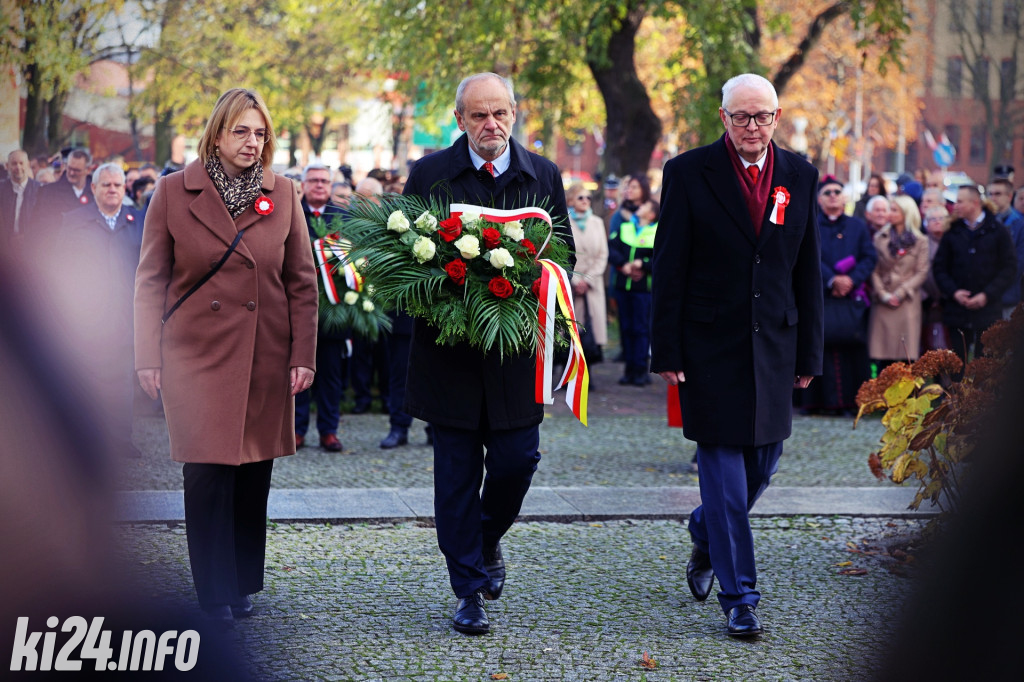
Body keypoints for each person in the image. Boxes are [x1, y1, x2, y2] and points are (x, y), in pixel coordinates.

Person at [134, 88, 318, 624]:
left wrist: (302, 353)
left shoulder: (282, 193)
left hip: (265, 351)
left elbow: (302, 281)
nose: (252, 142)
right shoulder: (173, 192)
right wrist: (147, 356)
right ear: (217, 134)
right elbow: (150, 281)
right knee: (208, 473)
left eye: (260, 133)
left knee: (252, 472)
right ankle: (213, 593)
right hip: (195, 354)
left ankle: (240, 584)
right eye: (241, 131)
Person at [651, 73, 823, 637]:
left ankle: (704, 532)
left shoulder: (799, 173)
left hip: (776, 342)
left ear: (777, 117)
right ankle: (740, 596)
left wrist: (810, 354)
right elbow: (669, 266)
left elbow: (806, 270)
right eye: (742, 117)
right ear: (722, 117)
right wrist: (667, 348)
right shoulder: (686, 172)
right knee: (723, 472)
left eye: (763, 117)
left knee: (764, 464)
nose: (753, 127)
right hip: (708, 345)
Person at [400, 72, 572, 636]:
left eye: (499, 113)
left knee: (518, 463)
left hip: (513, 356)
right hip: (448, 356)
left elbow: (561, 255)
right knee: (453, 478)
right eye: (478, 115)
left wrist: (532, 287)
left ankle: (486, 538)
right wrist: (450, 295)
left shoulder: (542, 174)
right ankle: (468, 588)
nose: (490, 124)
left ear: (515, 114)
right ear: (460, 121)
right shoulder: (429, 174)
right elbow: (405, 265)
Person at [801, 175, 876, 415]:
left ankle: (852, 404)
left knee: (852, 350)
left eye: (837, 192)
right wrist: (832, 279)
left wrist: (851, 280)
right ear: (819, 199)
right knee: (820, 348)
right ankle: (820, 404)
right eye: (827, 193)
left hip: (850, 299)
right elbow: (806, 256)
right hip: (822, 294)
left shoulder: (857, 226)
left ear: (845, 197)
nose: (832, 196)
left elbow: (869, 257)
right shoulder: (810, 224)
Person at [932, 185, 1017, 374]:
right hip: (957, 311)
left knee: (985, 368)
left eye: (960, 201)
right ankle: (956, 402)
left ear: (975, 203)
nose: (956, 206)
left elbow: (1009, 268)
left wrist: (987, 295)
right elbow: (939, 268)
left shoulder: (998, 231)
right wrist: (954, 292)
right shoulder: (952, 232)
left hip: (987, 311)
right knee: (956, 367)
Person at [294, 163, 348, 452]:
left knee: (330, 375)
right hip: (297, 310)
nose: (319, 185)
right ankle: (296, 430)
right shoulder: (291, 212)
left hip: (334, 310)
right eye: (313, 180)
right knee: (297, 372)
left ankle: (329, 430)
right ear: (302, 184)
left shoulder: (344, 217)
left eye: (324, 181)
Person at [867, 194, 930, 366]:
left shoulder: (921, 241)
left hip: (907, 302)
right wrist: (883, 294)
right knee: (882, 360)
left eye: (894, 210)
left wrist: (900, 292)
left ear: (906, 213)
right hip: (883, 302)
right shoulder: (880, 238)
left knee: (906, 358)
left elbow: (922, 271)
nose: (889, 213)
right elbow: (874, 270)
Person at [610, 198, 657, 385]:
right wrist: (624, 265)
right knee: (626, 329)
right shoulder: (625, 227)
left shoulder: (658, 231)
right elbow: (611, 249)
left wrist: (643, 265)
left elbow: (661, 260)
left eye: (645, 205)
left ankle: (640, 371)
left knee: (641, 329)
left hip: (643, 290)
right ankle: (628, 371)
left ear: (652, 214)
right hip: (623, 287)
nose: (640, 206)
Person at [566, 182, 608, 365]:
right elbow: (561, 253)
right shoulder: (564, 221)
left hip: (593, 285)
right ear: (571, 200)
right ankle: (566, 372)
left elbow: (602, 254)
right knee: (568, 329)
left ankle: (587, 373)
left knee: (591, 331)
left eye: (588, 197)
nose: (585, 201)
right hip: (570, 284)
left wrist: (587, 280)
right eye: (580, 197)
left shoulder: (597, 223)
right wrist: (575, 280)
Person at [985, 178, 1024, 317]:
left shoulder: (1019, 225)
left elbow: (1018, 264)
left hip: (1008, 296)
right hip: (985, 297)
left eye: (998, 194)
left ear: (1010, 196)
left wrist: (995, 286)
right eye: (990, 194)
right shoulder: (984, 223)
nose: (993, 198)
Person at [32, 147, 94, 232]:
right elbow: (38, 224)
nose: (72, 173)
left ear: (88, 170)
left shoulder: (97, 192)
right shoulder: (49, 192)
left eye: (77, 170)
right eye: (69, 168)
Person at [0, 149, 40, 250]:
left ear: (28, 164)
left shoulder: (39, 190)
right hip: (4, 248)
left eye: (21, 163)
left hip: (31, 248)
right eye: (14, 163)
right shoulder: (1, 189)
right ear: (7, 166)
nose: (18, 167)